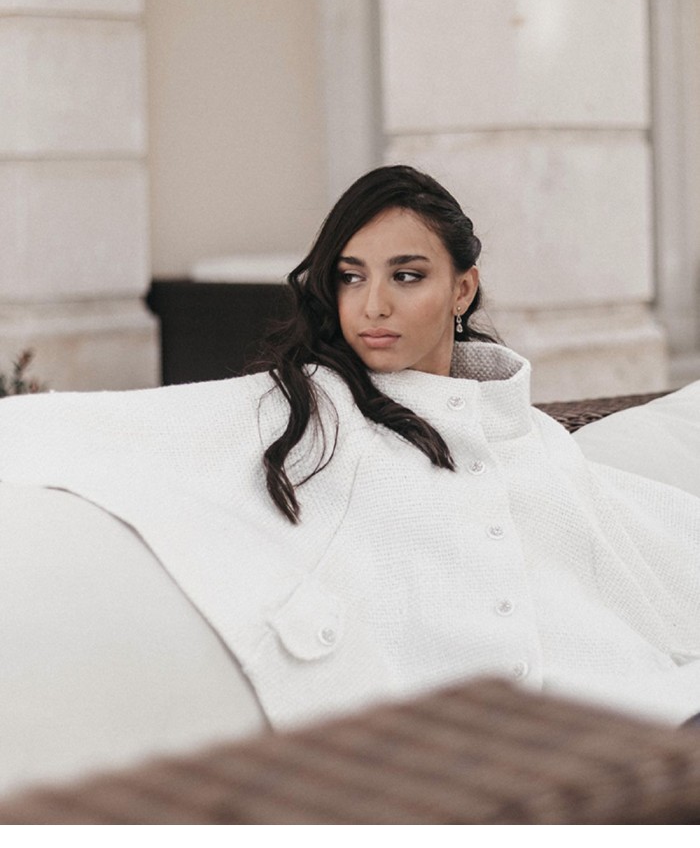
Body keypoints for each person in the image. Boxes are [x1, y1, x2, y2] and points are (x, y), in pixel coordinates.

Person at [1, 165, 699, 793]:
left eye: (406, 275)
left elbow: (635, 539)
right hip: (434, 770)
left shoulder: (533, 436)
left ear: (463, 287)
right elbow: (116, 428)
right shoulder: (310, 409)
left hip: (633, 746)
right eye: (350, 276)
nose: (371, 307)